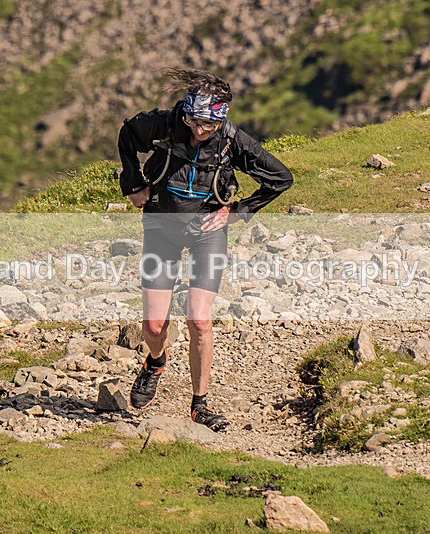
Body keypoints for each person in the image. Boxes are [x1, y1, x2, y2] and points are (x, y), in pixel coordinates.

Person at [117, 68, 293, 431]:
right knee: (153, 324)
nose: (199, 131)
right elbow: (127, 134)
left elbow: (281, 178)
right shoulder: (166, 124)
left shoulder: (232, 141)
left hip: (207, 234)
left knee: (199, 319)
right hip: (161, 228)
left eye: (207, 126)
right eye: (195, 122)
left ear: (221, 120)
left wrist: (238, 211)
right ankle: (155, 361)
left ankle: (200, 405)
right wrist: (133, 183)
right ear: (187, 113)